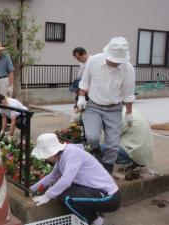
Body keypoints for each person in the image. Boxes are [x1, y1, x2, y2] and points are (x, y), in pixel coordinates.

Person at [30, 133, 120, 225]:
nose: (45, 159)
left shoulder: (72, 154)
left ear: (52, 152)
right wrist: (31, 189)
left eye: (45, 156)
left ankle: (94, 220)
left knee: (67, 198)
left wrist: (47, 195)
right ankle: (95, 216)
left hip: (109, 197)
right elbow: (51, 177)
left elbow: (66, 181)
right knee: (62, 192)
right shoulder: (61, 157)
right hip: (97, 191)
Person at [77, 37, 135, 174]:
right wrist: (81, 97)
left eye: (117, 61)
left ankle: (107, 171)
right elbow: (84, 82)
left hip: (114, 108)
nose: (114, 63)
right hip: (94, 106)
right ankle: (96, 152)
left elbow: (128, 94)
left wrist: (129, 113)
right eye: (112, 59)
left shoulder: (128, 69)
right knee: (92, 137)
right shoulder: (94, 61)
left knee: (113, 146)